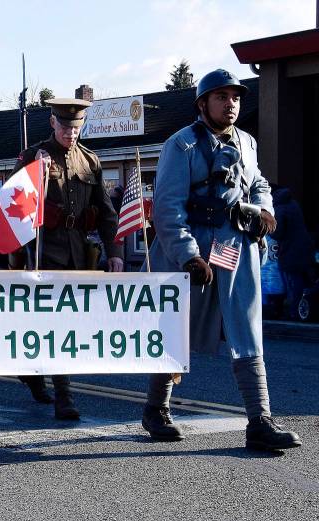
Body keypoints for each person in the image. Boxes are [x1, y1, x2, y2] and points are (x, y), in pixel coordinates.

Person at [141, 69, 301, 452]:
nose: (231, 104)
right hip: (192, 253)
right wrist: (188, 256)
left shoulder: (247, 142)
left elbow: (258, 183)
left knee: (247, 329)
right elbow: (167, 208)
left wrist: (264, 210)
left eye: (236, 97)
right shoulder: (181, 145)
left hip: (236, 249)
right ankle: (156, 409)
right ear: (203, 104)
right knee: (176, 331)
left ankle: (260, 420)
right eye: (221, 97)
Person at [10, 98, 124, 420]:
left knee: (67, 323)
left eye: (76, 128)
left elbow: (107, 213)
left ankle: (32, 372)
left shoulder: (90, 161)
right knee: (54, 323)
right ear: (52, 123)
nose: (70, 133)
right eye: (64, 127)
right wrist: (35, 174)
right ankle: (64, 395)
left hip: (78, 253)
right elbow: (13, 203)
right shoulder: (33, 156)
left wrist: (115, 253)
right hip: (43, 252)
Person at [270, 185, 315, 320]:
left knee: (293, 283)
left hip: (290, 251)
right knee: (303, 281)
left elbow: (278, 232)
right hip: (304, 247)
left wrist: (267, 230)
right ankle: (302, 310)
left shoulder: (279, 208)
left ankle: (294, 312)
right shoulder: (293, 203)